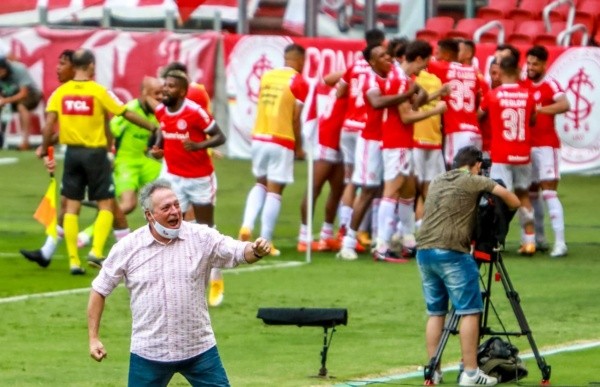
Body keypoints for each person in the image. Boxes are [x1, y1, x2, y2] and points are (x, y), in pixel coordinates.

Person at [87, 179, 271, 386]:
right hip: (148, 352)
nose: (175, 211)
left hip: (198, 349)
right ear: (149, 215)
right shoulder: (128, 247)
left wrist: (255, 250)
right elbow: (99, 290)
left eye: (176, 205)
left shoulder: (201, 237)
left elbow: (235, 250)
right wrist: (93, 338)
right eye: (166, 208)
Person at [39, 48, 158, 274]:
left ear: (74, 66)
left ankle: (73, 261)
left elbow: (48, 126)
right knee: (105, 204)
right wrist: (152, 126)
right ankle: (95, 250)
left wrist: (45, 149)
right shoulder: (99, 91)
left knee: (71, 207)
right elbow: (125, 113)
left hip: (72, 154)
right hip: (95, 154)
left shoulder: (60, 93)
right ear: (91, 66)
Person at [416, 145, 520, 386]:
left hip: (424, 252)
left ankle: (434, 371)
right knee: (470, 311)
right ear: (476, 165)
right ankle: (471, 373)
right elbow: (512, 200)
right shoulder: (474, 180)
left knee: (436, 312)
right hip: (452, 251)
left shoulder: (438, 179)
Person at [374, 40, 447, 262]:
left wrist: (424, 95)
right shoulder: (398, 79)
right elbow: (406, 117)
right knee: (392, 191)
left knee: (407, 192)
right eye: (424, 64)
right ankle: (382, 246)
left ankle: (409, 241)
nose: (424, 69)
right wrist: (435, 110)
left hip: (400, 141)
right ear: (417, 59)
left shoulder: (402, 78)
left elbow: (413, 104)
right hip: (397, 142)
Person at [238, 43, 309, 255]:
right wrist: (299, 147)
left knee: (260, 183)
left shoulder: (267, 77)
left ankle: (247, 225)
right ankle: (266, 240)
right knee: (275, 189)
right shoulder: (298, 81)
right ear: (301, 60)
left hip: (260, 136)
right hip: (282, 138)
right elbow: (296, 118)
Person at [77, 76, 165, 247]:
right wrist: (108, 157)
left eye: (162, 93)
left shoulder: (159, 112)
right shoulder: (130, 110)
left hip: (144, 161)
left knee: (173, 187)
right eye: (156, 93)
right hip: (125, 161)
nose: (160, 97)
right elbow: (110, 132)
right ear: (144, 93)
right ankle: (87, 234)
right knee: (128, 204)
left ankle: (170, 237)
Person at [20, 50, 76, 268]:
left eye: (63, 63)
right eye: (58, 63)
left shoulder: (86, 92)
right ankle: (48, 252)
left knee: (118, 208)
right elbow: (64, 130)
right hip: (77, 159)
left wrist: (45, 147)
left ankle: (89, 251)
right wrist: (48, 148)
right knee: (68, 205)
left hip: (95, 158)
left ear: (76, 67)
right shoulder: (62, 93)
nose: (57, 68)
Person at [479, 55, 537, 255]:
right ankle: (529, 241)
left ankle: (495, 241)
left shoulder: (493, 95)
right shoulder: (528, 95)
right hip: (523, 154)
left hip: (502, 154)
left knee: (500, 198)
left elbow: (479, 115)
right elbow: (533, 120)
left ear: (502, 72)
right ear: (519, 71)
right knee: (523, 196)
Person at [523, 45, 570, 257]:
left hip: (546, 145)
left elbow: (564, 104)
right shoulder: (522, 85)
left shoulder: (550, 85)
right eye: (529, 63)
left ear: (544, 65)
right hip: (525, 145)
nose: (531, 67)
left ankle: (560, 243)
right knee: (531, 193)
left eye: (535, 64)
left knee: (549, 192)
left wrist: (540, 109)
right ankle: (539, 239)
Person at [428, 39, 483, 167]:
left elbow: (418, 65)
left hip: (456, 131)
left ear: (446, 55)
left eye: (438, 54)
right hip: (475, 131)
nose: (435, 57)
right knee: (472, 175)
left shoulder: (440, 67)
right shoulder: (473, 72)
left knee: (453, 173)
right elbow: (477, 100)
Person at [0, 56, 43, 150]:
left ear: (5, 68)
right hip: (11, 96)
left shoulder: (19, 69)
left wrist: (4, 101)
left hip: (31, 93)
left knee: (22, 106)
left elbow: (23, 93)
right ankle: (1, 138)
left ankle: (25, 142)